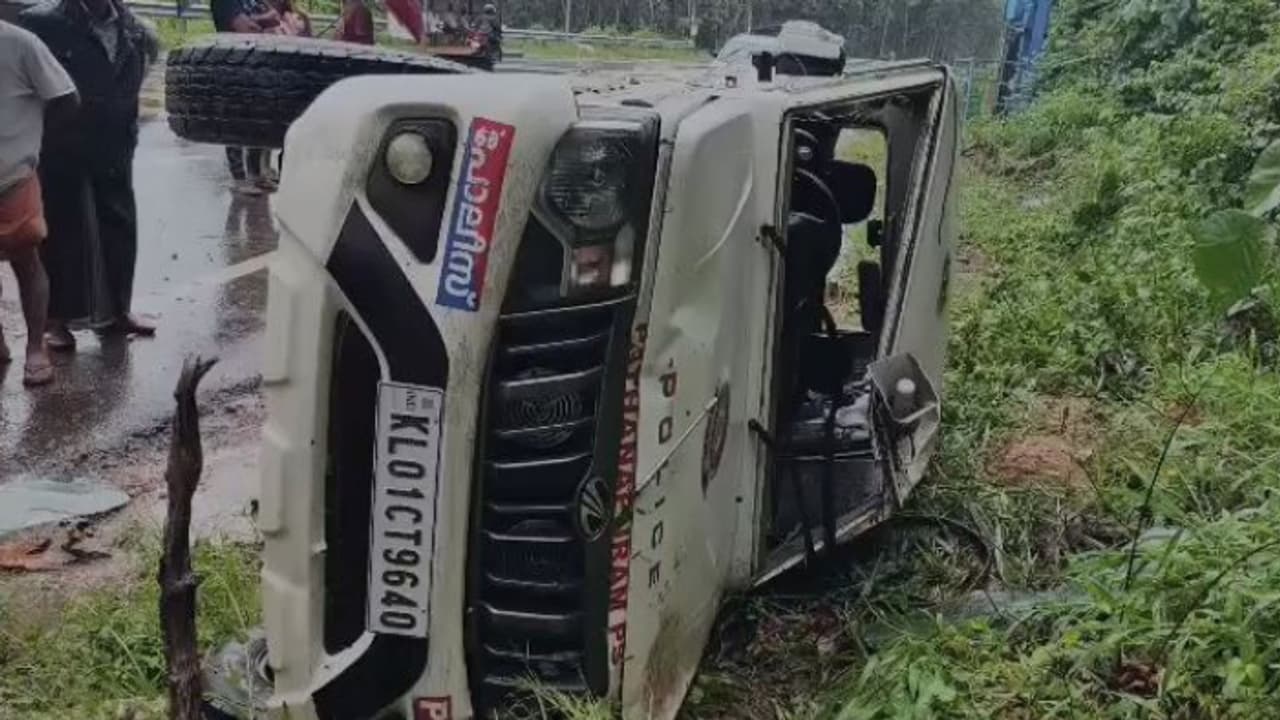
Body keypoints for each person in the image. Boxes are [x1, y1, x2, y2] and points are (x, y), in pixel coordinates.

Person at [19, 0, 159, 352]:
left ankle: (119, 312)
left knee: (120, 226)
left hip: (115, 141)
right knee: (61, 232)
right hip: (62, 142)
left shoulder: (137, 30)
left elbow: (134, 80)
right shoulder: (43, 23)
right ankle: (56, 321)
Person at [0, 19, 78, 386]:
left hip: (14, 177)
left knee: (26, 262)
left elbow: (66, 98)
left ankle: (35, 346)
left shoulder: (21, 44)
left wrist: (36, 142)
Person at [210, 0, 281, 193]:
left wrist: (264, 19)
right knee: (234, 121)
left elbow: (276, 17)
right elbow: (244, 26)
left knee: (258, 119)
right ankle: (239, 179)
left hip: (257, 62)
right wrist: (265, 19)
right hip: (232, 62)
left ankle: (256, 175)